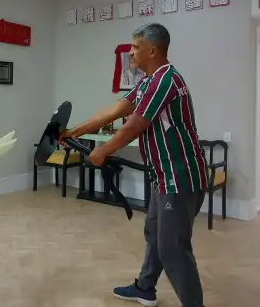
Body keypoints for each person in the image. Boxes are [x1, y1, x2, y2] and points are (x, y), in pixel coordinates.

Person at [62, 23, 207, 307]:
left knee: (172, 248)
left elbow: (135, 125)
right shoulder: (146, 83)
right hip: (163, 176)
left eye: (136, 47)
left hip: (180, 177)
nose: (131, 52)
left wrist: (103, 151)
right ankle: (144, 288)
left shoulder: (165, 80)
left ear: (152, 50)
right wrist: (75, 131)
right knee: (154, 233)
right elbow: (116, 110)